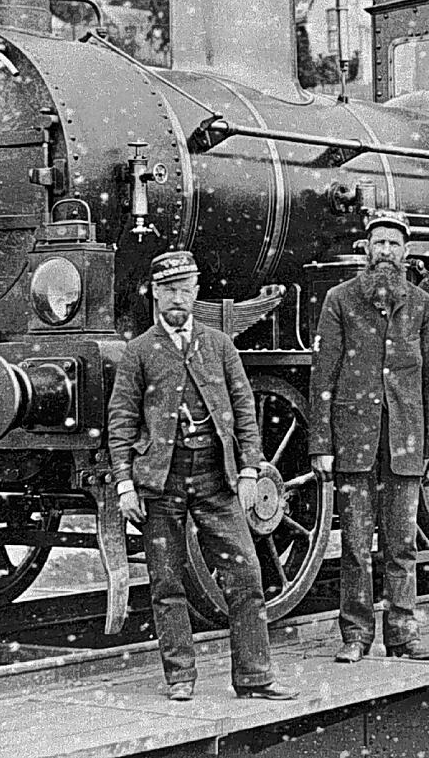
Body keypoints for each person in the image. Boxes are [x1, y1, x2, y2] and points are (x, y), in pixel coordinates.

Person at [106, 250, 297, 703]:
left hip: (217, 479)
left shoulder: (219, 345)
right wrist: (125, 484)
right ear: (154, 294)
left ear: (195, 292)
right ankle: (180, 678)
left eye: (183, 288)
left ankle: (254, 677)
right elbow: (120, 423)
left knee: (247, 578)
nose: (176, 298)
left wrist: (250, 469)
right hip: (161, 482)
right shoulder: (138, 352)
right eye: (167, 289)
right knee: (166, 585)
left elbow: (244, 409)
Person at [310, 210, 429, 663]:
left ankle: (404, 634)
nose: (385, 251)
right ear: (365, 250)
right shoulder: (339, 300)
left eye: (393, 243)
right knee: (353, 543)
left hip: (405, 443)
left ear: (406, 251)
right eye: (378, 243)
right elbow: (323, 376)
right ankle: (355, 635)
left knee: (402, 544)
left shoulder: (422, 305)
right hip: (355, 442)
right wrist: (321, 445)